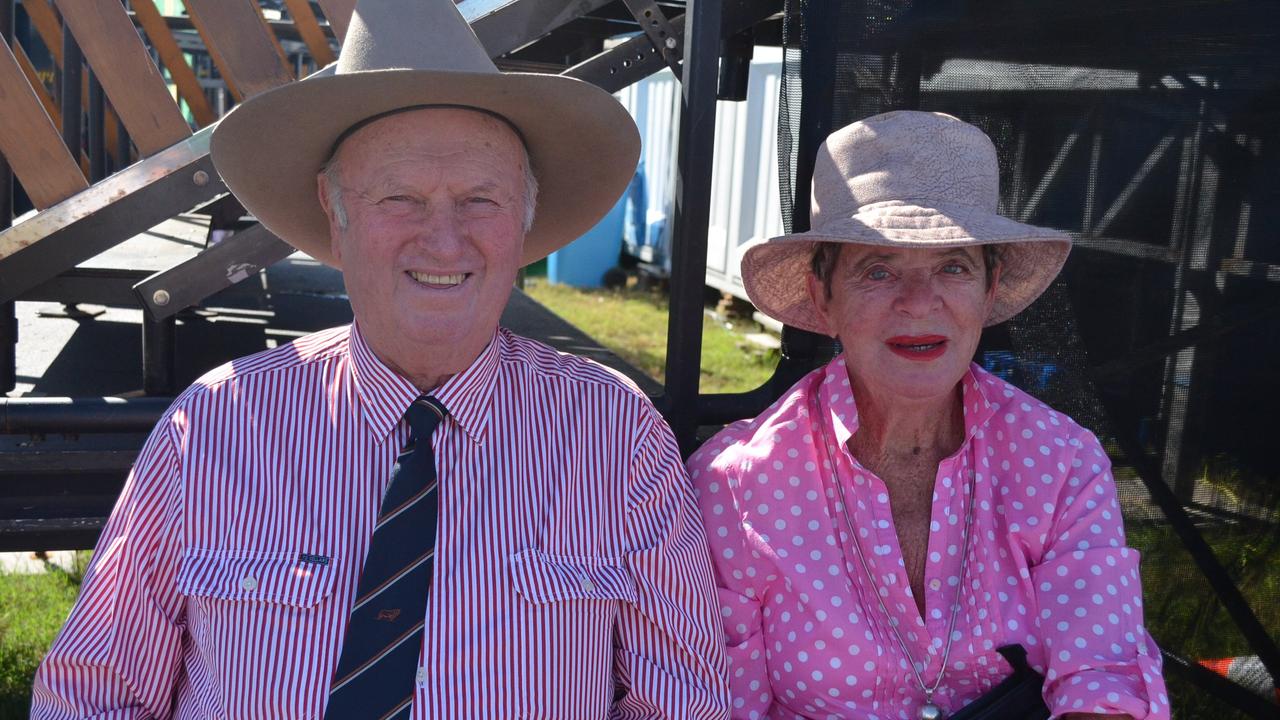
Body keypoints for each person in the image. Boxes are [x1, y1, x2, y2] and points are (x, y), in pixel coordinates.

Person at [31, 1, 729, 718]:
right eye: (400, 198)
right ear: (334, 216)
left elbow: (678, 700)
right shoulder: (213, 427)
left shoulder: (616, 435)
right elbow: (95, 693)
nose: (445, 241)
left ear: (524, 221)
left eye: (481, 200)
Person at [688, 111, 1168, 720]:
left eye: (953, 266)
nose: (919, 303)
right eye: (878, 270)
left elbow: (1103, 676)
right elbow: (721, 703)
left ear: (990, 290)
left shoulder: (1062, 462)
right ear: (822, 297)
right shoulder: (735, 485)